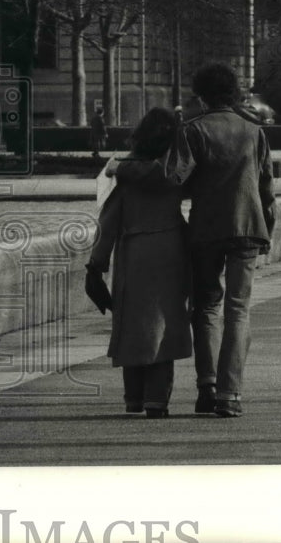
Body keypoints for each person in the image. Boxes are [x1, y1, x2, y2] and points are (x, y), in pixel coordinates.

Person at [165, 63, 276, 418]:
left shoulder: (192, 130)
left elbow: (174, 181)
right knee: (238, 309)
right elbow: (266, 187)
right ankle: (230, 394)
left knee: (206, 306)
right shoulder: (254, 131)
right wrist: (266, 233)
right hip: (247, 226)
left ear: (200, 95)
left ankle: (207, 386)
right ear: (233, 93)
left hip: (206, 229)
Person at [85, 108, 193, 419]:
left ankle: (134, 398)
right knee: (165, 323)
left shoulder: (123, 172)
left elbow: (109, 223)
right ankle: (158, 399)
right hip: (171, 248)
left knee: (133, 324)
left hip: (135, 251)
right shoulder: (176, 171)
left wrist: (96, 264)